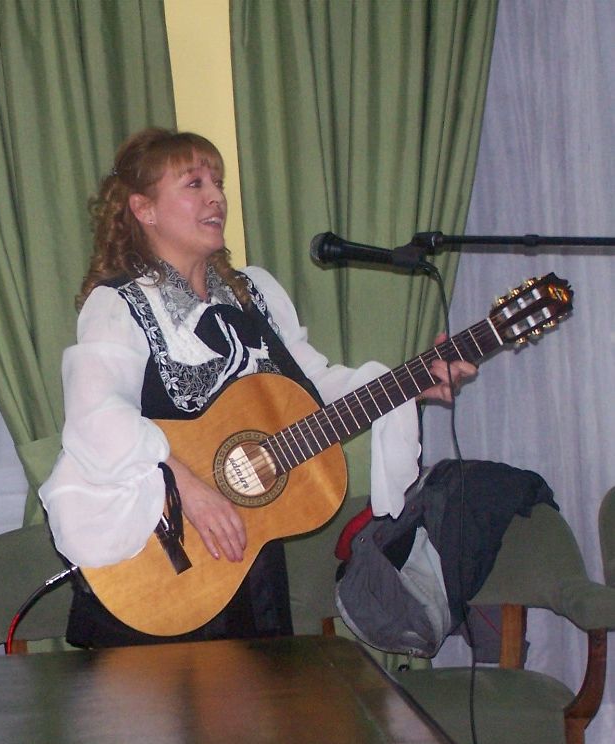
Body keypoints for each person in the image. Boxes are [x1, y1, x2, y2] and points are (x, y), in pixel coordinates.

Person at [39, 127, 476, 648]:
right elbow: (95, 417)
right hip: (159, 555)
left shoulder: (254, 293)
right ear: (144, 209)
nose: (216, 197)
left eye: (218, 183)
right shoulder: (120, 304)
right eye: (194, 184)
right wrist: (190, 489)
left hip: (247, 560)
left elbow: (313, 389)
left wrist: (411, 384)